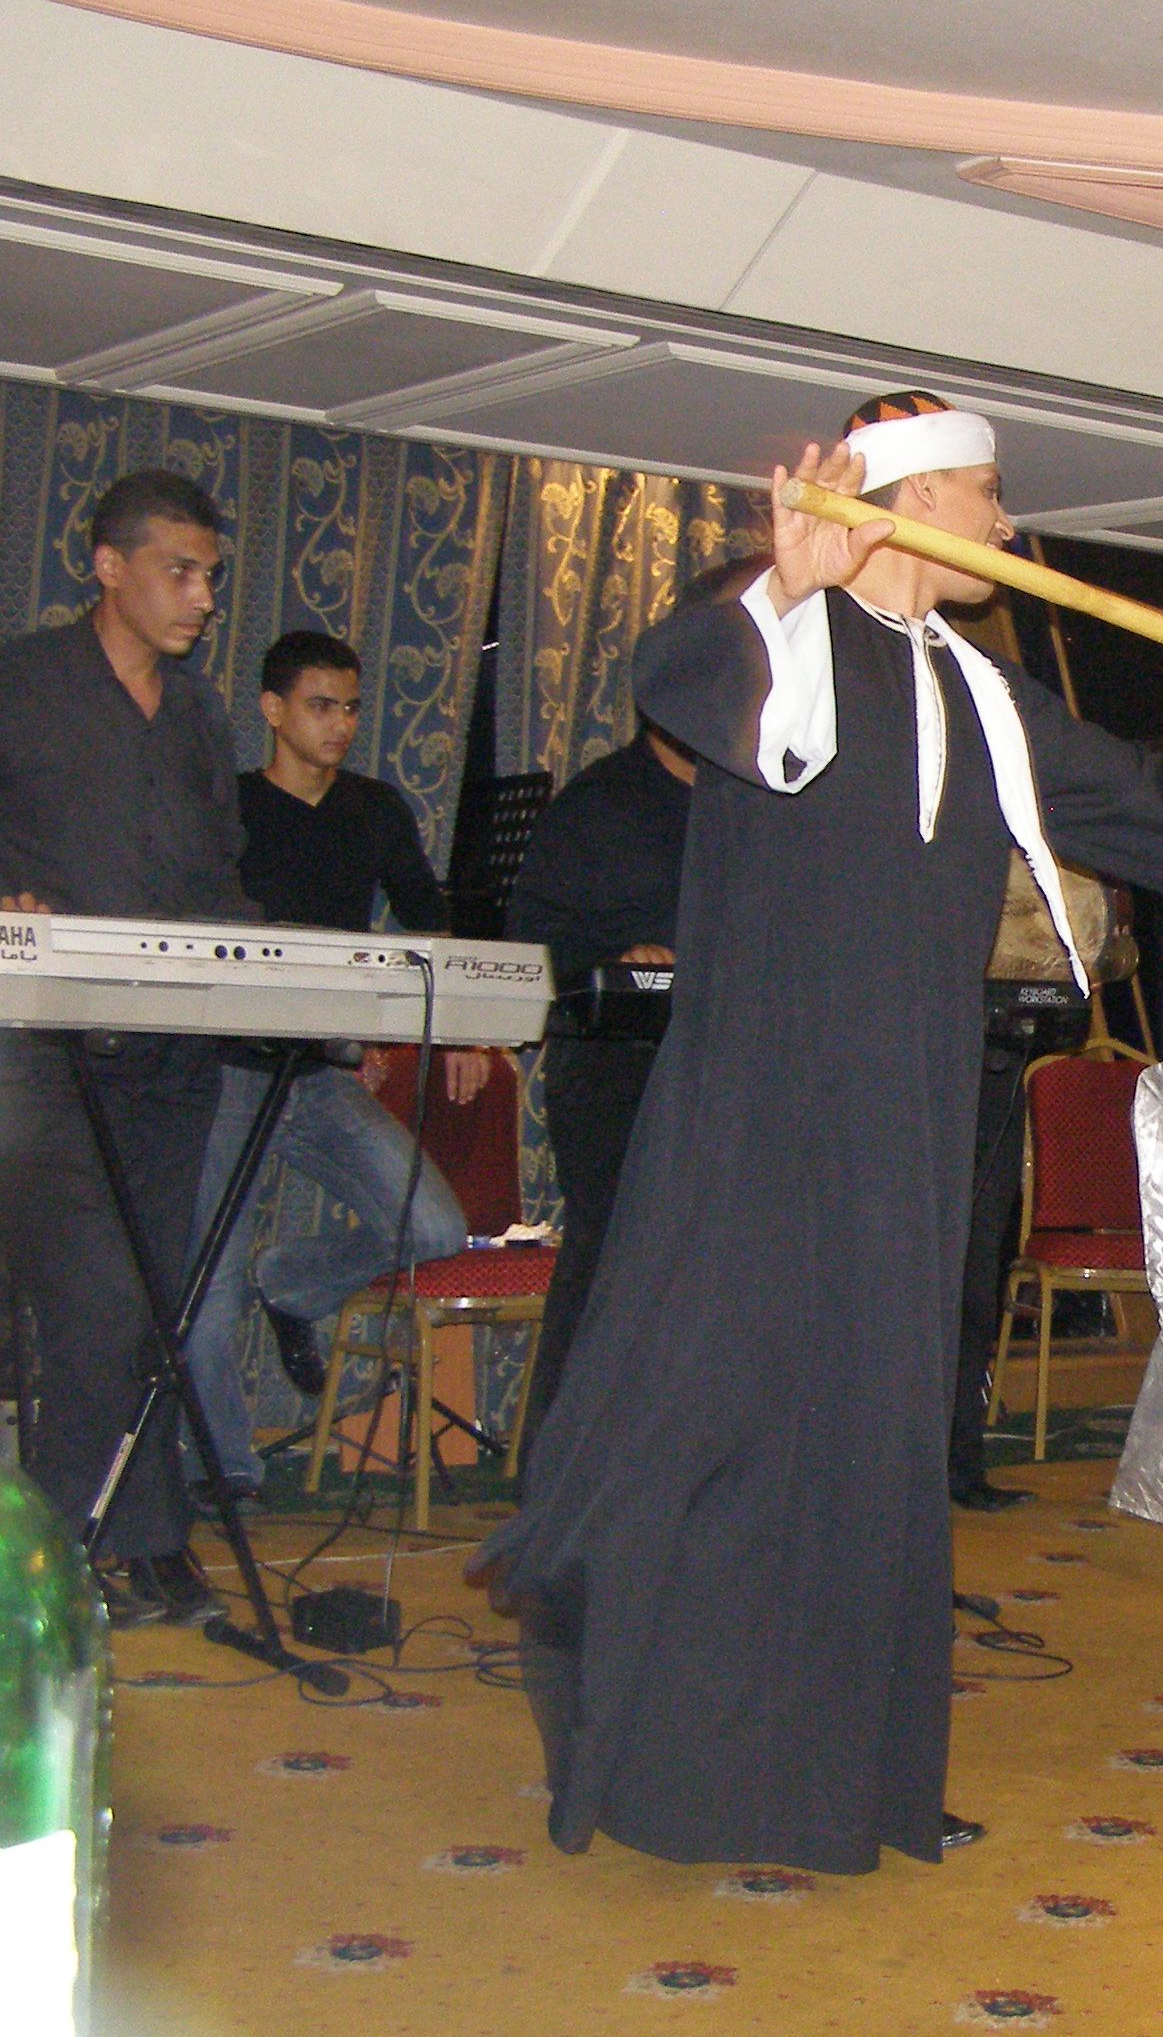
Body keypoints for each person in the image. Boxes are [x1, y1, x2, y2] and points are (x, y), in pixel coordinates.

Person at [475, 392, 1163, 1876]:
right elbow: (683, 683)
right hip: (767, 1112)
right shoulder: (790, 638)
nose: (1008, 523)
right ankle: (680, 1766)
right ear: (905, 502)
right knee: (730, 1412)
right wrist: (788, 587)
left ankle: (848, 1774)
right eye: (984, 492)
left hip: (904, 1106)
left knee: (880, 1426)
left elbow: (1153, 800)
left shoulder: (980, 690)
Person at [0, 470, 250, 1628]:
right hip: (42, 1050)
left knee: (155, 1298)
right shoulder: (22, 684)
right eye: (180, 571)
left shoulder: (197, 714)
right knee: (97, 1299)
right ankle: (50, 1560)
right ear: (109, 567)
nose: (203, 597)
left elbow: (216, 872)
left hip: (171, 1048)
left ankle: (144, 1541)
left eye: (211, 574)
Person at [174, 630, 481, 1502]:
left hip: (319, 1075)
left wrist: (460, 1029)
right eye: (320, 706)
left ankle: (292, 1282)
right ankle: (225, 1470)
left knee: (433, 1226)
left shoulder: (374, 809)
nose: (340, 724)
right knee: (207, 1280)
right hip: (226, 1070)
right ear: (272, 711)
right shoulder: (229, 807)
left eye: (350, 707)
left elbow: (428, 922)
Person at [502, 715, 697, 1459]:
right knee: (608, 1257)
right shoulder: (598, 804)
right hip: (610, 1060)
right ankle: (555, 1467)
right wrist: (617, 958)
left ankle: (670, 1466)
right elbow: (530, 939)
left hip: (711, 1061)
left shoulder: (745, 802)